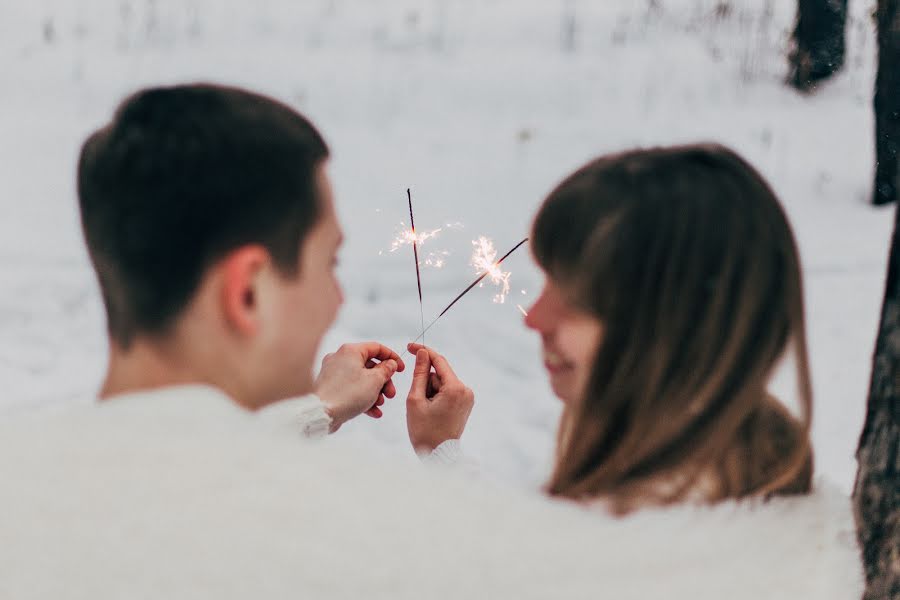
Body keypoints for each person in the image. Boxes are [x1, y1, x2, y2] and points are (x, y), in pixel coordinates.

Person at [0, 87, 861, 598]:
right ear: (249, 289)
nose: (532, 319)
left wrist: (319, 415)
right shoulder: (366, 549)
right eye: (331, 264)